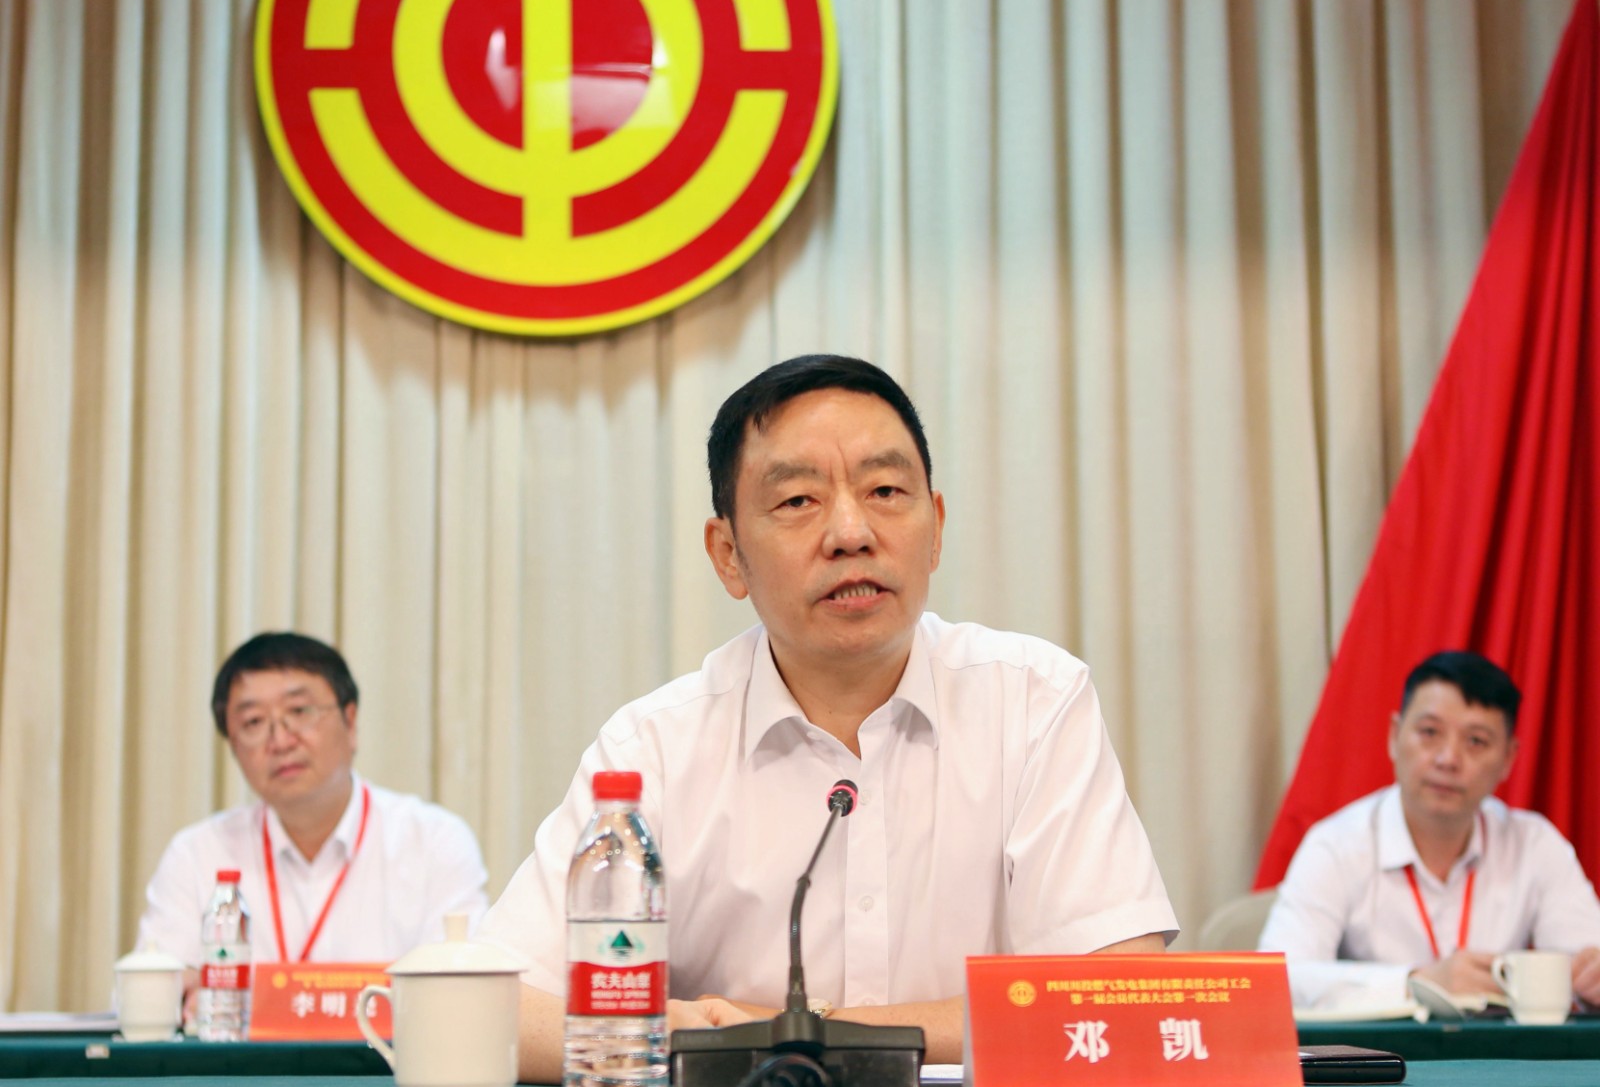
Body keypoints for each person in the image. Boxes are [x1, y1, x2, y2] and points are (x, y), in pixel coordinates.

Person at [478, 354, 1176, 1079]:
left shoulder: (1033, 701)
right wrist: (672, 1032)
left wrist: (788, 1036)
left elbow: (1118, 995)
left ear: (936, 527)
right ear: (728, 555)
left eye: (885, 491)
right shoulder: (654, 748)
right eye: (798, 501)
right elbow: (496, 1006)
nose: (851, 531)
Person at [137, 632, 490, 999]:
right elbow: (148, 996)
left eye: (299, 712)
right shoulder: (197, 854)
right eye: (254, 722)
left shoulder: (433, 842)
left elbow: (463, 990)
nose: (280, 741)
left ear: (350, 722)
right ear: (233, 747)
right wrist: (176, 994)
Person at [1258, 650, 1600, 1011]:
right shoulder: (1336, 845)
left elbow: (1587, 954)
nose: (1448, 759)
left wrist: (1591, 977)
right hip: (1378, 1046)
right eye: (1430, 733)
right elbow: (1279, 979)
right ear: (1394, 736)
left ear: (1508, 760)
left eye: (1476, 741)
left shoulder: (1534, 844)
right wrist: (1416, 983)